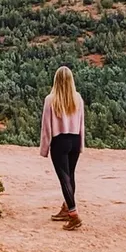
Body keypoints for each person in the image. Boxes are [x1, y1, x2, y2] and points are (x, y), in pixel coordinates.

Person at [40, 65, 85, 230]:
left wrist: (44, 149)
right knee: (70, 175)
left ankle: (73, 215)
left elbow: (46, 127)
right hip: (75, 139)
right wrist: (81, 145)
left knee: (64, 178)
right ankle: (67, 207)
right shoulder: (77, 98)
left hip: (60, 141)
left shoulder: (50, 100)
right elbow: (82, 124)